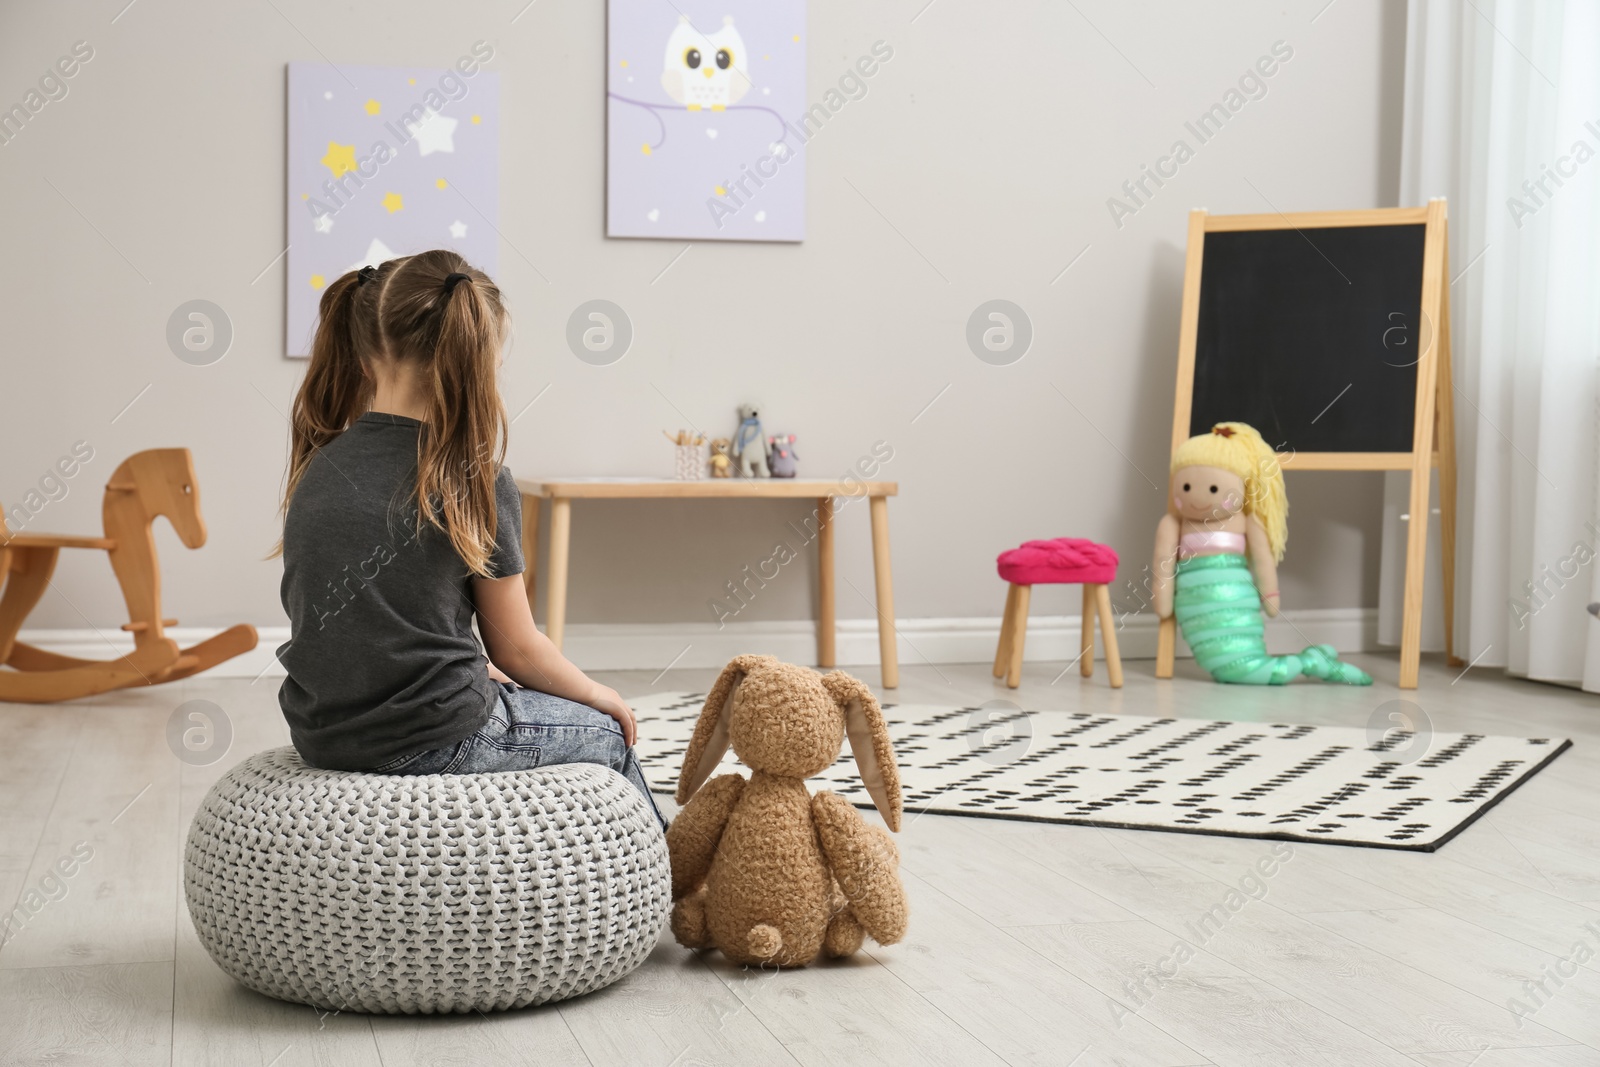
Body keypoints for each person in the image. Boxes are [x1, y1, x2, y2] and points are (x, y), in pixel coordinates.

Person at [273, 249, 664, 824]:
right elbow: (518, 646)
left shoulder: (320, 464)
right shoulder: (474, 477)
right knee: (607, 733)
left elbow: (361, 624)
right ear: (478, 359)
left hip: (321, 732)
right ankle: (663, 891)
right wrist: (597, 693)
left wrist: (470, 667)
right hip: (436, 737)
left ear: (362, 355)